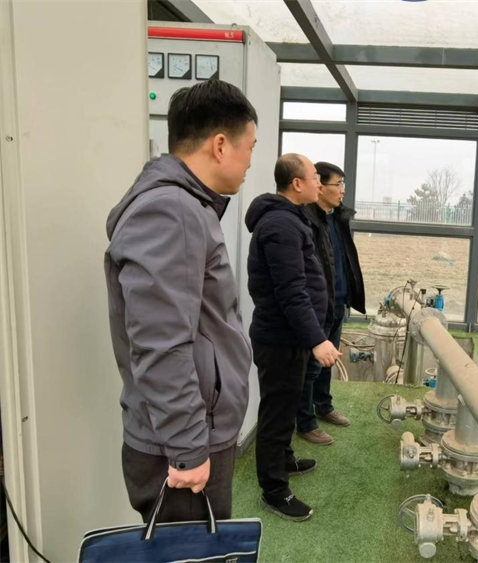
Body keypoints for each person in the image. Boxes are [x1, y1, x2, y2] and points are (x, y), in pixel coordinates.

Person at [104, 80, 257, 521]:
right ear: (220, 145)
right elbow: (161, 342)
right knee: (190, 549)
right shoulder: (172, 210)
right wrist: (189, 448)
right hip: (180, 447)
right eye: (250, 147)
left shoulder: (186, 205)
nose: (251, 161)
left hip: (186, 435)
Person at [245, 153, 342, 521]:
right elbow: (291, 292)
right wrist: (317, 339)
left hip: (291, 337)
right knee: (276, 413)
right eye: (315, 176)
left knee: (286, 407)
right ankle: (274, 492)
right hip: (280, 340)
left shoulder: (292, 219)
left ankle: (284, 459)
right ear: (297, 184)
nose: (320, 182)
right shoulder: (281, 225)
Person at [296, 162, 366, 445]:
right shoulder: (306, 221)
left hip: (338, 301)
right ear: (321, 187)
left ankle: (323, 406)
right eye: (338, 184)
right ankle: (305, 422)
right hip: (318, 306)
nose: (343, 191)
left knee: (330, 359)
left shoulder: (335, 218)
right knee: (312, 366)